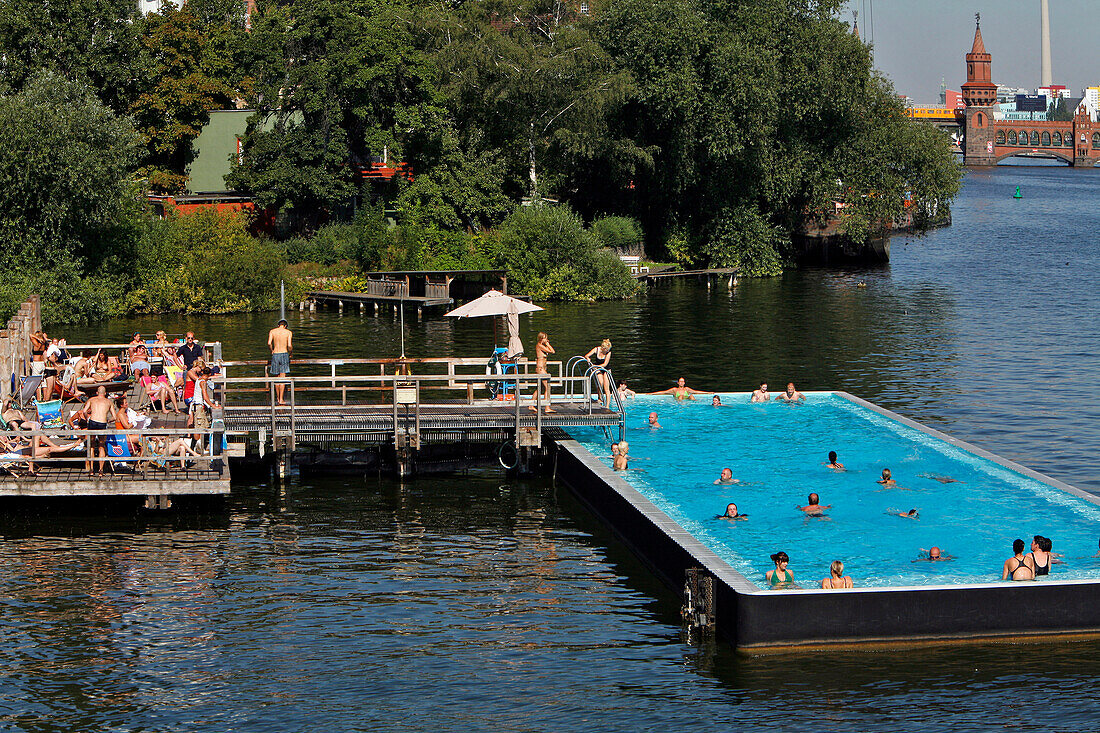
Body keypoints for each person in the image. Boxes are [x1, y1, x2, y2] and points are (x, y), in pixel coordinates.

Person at [84, 385, 117, 476]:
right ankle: (101, 470)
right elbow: (114, 417)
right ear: (105, 393)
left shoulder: (92, 400)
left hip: (93, 421)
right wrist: (108, 420)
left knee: (91, 445)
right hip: (102, 423)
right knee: (101, 446)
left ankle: (91, 469)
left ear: (97, 393)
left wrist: (88, 418)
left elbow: (84, 411)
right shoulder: (108, 402)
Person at [267, 319, 293, 406]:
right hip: (284, 353)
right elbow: (289, 345)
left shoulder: (272, 331)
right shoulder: (288, 332)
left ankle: (277, 398)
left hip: (275, 354)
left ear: (278, 325)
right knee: (282, 377)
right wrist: (291, 353)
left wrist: (272, 350)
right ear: (285, 326)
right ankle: (281, 399)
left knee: (276, 377)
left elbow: (269, 343)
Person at [529, 332, 555, 414]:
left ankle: (531, 405)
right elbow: (552, 351)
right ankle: (547, 407)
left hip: (542, 368)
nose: (546, 339)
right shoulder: (539, 346)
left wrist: (546, 344)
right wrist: (548, 344)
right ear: (540, 338)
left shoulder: (542, 346)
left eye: (546, 338)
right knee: (547, 387)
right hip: (540, 369)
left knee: (540, 388)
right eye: (544, 338)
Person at [584, 339, 613, 408]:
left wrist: (595, 366)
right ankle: (600, 398)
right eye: (606, 350)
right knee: (600, 382)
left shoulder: (608, 353)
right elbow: (586, 355)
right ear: (603, 348)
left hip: (606, 369)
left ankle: (607, 405)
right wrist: (588, 358)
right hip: (598, 368)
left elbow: (605, 364)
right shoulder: (596, 349)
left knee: (606, 388)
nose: (607, 351)